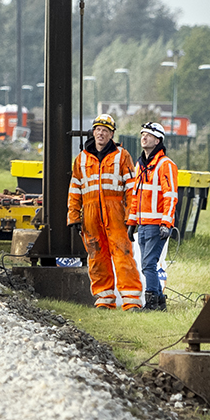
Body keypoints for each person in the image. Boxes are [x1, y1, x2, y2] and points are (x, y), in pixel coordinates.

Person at [68, 113, 140, 310]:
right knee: (96, 257)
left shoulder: (121, 156)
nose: (101, 134)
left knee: (123, 254)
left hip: (116, 213)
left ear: (112, 134)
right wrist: (73, 216)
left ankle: (131, 300)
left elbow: (131, 188)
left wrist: (131, 216)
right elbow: (75, 189)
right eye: (98, 130)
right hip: (90, 216)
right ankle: (104, 299)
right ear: (93, 132)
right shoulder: (81, 159)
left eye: (105, 131)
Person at [128, 121, 179, 310]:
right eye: (142, 133)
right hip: (142, 224)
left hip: (157, 225)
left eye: (148, 134)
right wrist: (131, 222)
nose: (144, 137)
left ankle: (151, 304)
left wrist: (166, 223)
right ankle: (159, 303)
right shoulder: (141, 165)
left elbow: (171, 196)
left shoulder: (165, 165)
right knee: (146, 264)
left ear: (158, 140)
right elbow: (136, 196)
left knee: (149, 264)